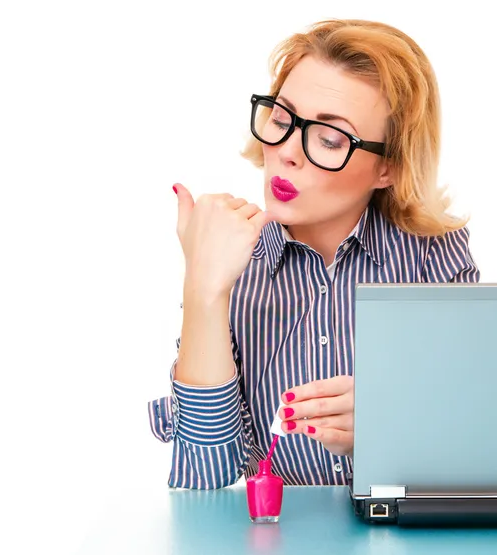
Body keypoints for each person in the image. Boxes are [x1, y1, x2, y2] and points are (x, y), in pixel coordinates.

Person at [147, 19, 480, 489]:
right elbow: (207, 478)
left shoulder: (431, 258)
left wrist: (390, 425)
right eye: (281, 120)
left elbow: (470, 437)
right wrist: (203, 288)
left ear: (387, 167)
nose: (286, 152)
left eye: (328, 139)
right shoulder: (234, 263)